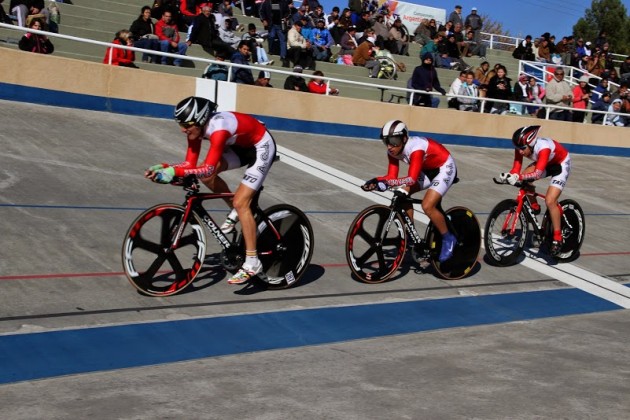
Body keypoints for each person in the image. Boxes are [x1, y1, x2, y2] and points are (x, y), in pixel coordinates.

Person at [145, 96, 277, 284]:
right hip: (240, 146)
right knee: (208, 178)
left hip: (261, 145)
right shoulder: (196, 131)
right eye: (180, 124)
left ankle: (252, 262)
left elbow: (206, 166)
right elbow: (190, 164)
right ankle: (236, 210)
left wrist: (174, 171)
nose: (183, 129)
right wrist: (166, 167)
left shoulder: (219, 129)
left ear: (199, 120)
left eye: (186, 124)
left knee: (241, 202)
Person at [361, 120, 459, 263]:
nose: (390, 146)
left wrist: (386, 183)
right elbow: (391, 177)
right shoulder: (392, 151)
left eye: (394, 141)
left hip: (444, 168)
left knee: (427, 206)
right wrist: (376, 181)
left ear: (404, 138)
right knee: (402, 194)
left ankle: (448, 238)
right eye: (386, 141)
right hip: (425, 170)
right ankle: (411, 234)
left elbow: (411, 179)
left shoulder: (416, 148)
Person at [500, 125, 571, 256]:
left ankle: (557, 237)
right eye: (517, 149)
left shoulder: (543, 148)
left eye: (522, 149)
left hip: (560, 164)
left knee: (550, 201)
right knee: (524, 177)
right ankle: (534, 205)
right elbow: (516, 169)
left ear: (531, 144)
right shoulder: (521, 146)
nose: (520, 152)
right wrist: (509, 176)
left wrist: (519, 177)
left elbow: (537, 174)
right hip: (545, 163)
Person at [259, 0, 291, 67]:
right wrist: (264, 20)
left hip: (280, 25)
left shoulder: (284, 2)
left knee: (283, 40)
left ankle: (283, 56)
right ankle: (270, 50)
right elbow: (261, 11)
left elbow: (288, 12)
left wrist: (285, 17)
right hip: (271, 24)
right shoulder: (267, 2)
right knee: (271, 36)